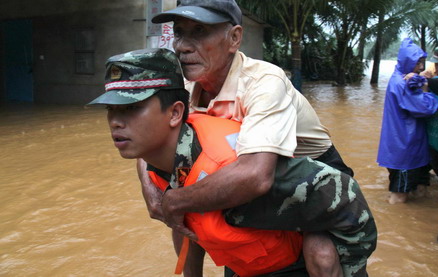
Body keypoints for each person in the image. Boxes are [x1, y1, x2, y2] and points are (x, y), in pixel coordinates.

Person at [89, 48, 377, 277]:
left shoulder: (234, 165)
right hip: (247, 261)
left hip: (294, 254)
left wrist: (337, 264)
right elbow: (188, 224)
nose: (115, 121)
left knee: (323, 256)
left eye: (132, 108)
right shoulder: (168, 142)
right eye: (111, 110)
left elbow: (341, 192)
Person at [139, 0, 358, 276]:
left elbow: (256, 176)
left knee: (321, 255)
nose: (182, 46)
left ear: (234, 38)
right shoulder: (185, 86)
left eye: (200, 32)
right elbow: (147, 138)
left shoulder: (265, 82)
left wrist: (173, 201)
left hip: (313, 179)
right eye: (179, 33)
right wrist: (152, 192)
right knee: (188, 198)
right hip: (244, 171)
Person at [377, 38, 438, 204]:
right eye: (417, 63)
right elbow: (425, 108)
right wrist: (425, 88)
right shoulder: (402, 83)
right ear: (407, 61)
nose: (420, 67)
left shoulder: (402, 78)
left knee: (419, 189)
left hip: (408, 146)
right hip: (405, 147)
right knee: (399, 195)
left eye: (422, 62)